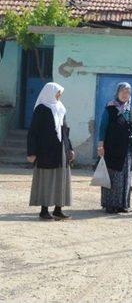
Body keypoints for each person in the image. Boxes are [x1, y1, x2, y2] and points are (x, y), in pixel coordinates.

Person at [27, 82, 74, 220]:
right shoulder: (41, 109)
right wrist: (31, 152)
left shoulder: (60, 108)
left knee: (61, 178)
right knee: (47, 179)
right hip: (45, 150)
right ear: (50, 92)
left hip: (61, 150)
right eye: (57, 92)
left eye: (60, 93)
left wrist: (70, 148)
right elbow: (33, 132)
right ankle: (44, 210)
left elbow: (64, 131)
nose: (59, 95)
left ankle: (58, 209)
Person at [98, 82, 132, 214]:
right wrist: (101, 145)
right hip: (112, 148)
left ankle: (123, 204)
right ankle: (110, 204)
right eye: (123, 91)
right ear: (117, 93)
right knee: (114, 175)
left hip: (129, 149)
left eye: (128, 92)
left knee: (126, 177)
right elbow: (102, 128)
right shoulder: (110, 109)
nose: (125, 94)